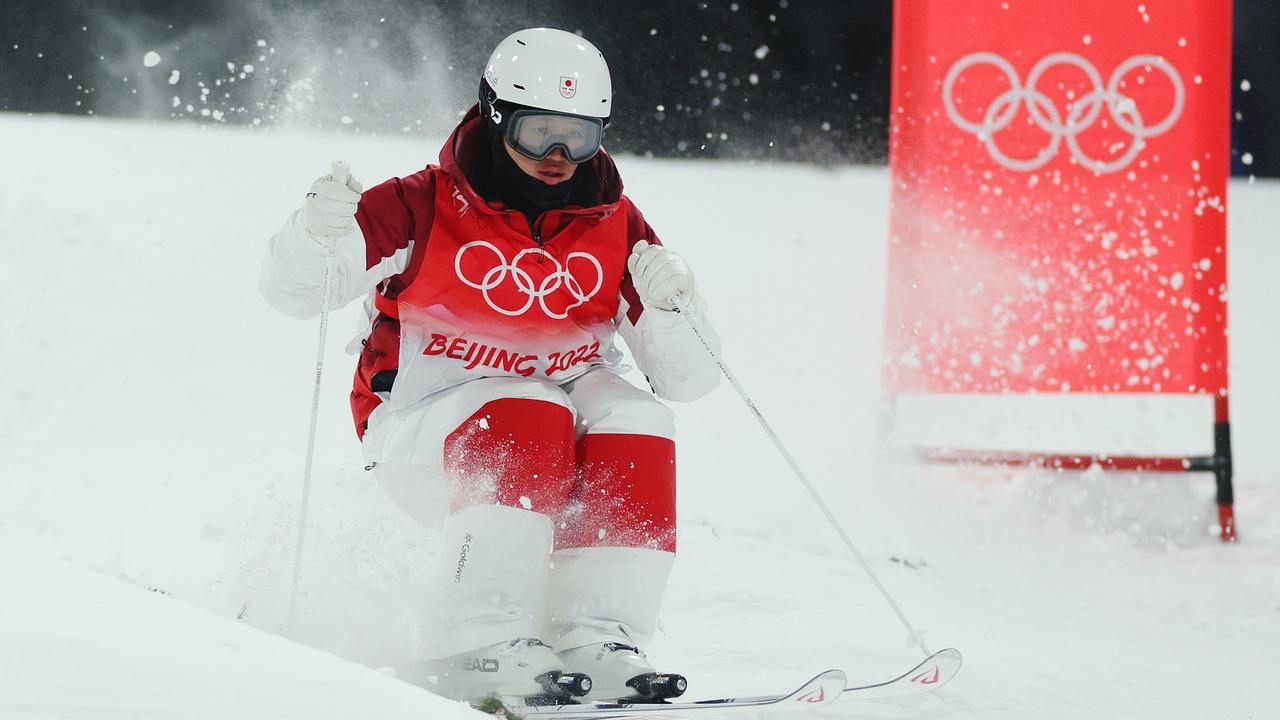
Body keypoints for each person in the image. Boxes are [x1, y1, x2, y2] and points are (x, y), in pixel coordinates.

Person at [259, 27, 720, 703]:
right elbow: (293, 294)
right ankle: (475, 638)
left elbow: (689, 381)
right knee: (529, 405)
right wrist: (312, 233)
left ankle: (598, 636)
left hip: (553, 432)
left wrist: (676, 310)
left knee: (639, 419)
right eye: (540, 133)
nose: (560, 157)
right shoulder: (419, 204)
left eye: (581, 136)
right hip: (421, 431)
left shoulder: (613, 222)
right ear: (497, 114)